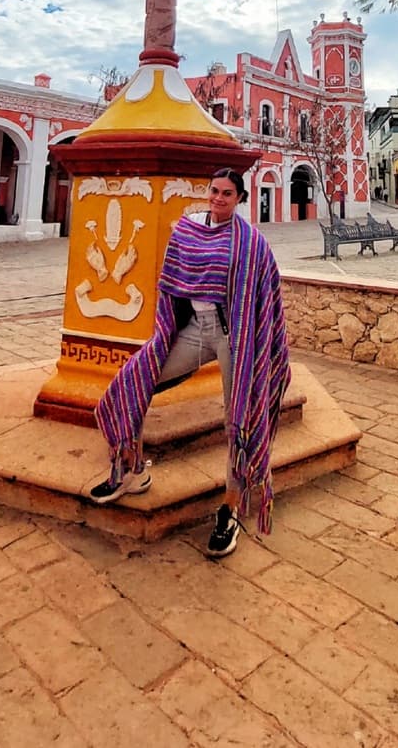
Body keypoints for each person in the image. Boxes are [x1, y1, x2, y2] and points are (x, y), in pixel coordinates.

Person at [86, 168, 289, 559]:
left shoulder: (250, 243)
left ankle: (230, 507)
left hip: (235, 336)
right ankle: (131, 470)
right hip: (194, 330)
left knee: (238, 418)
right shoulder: (187, 230)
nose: (219, 198)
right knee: (136, 380)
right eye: (214, 191)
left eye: (228, 193)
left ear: (240, 198)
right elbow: (170, 278)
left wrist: (261, 341)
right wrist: (167, 330)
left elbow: (268, 289)